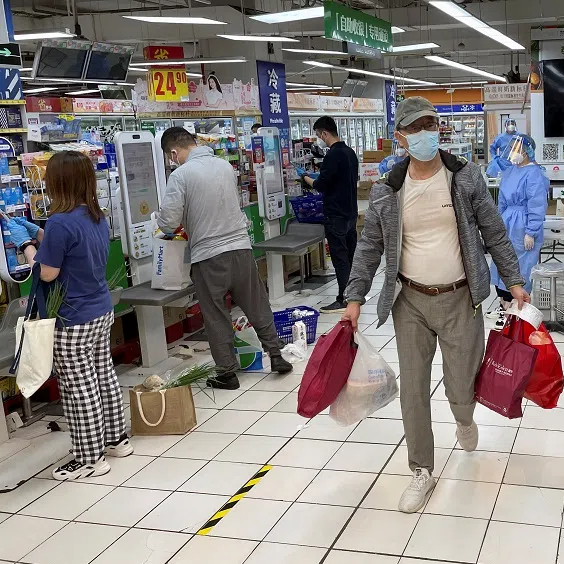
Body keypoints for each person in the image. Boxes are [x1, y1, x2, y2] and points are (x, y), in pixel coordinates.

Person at [341, 97, 529, 513]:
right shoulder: (388, 188)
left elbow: (494, 231)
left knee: (462, 384)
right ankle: (421, 470)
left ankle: (464, 417)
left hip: (461, 298)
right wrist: (354, 297)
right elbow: (370, 244)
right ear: (401, 137)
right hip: (410, 301)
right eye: (418, 126)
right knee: (414, 388)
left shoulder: (463, 177)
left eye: (433, 124)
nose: (428, 132)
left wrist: (513, 279)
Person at [7, 151, 132, 481]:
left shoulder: (61, 221)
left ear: (58, 183)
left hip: (72, 317)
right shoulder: (95, 215)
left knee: (79, 389)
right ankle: (117, 441)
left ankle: (90, 458)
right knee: (103, 375)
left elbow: (47, 272)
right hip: (100, 309)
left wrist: (26, 247)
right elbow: (71, 248)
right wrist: (37, 233)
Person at [158, 127, 292, 390]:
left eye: (169, 156)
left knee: (216, 314)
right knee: (257, 304)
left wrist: (164, 223)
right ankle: (276, 355)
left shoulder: (180, 175)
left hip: (208, 256)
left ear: (174, 152)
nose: (172, 161)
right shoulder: (224, 167)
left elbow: (169, 223)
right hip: (241, 248)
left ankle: (227, 373)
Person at [488, 134, 549, 330]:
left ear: (528, 150)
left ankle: (517, 312)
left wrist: (531, 231)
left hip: (523, 225)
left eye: (517, 148)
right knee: (501, 263)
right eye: (511, 147)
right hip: (506, 222)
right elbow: (502, 202)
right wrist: (497, 224)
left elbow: (537, 204)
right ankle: (504, 307)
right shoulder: (510, 171)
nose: (513, 152)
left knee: (520, 268)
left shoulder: (535, 174)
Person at [303, 116, 359, 314]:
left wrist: (306, 177)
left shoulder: (333, 155)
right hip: (351, 212)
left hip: (335, 214)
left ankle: (343, 298)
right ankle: (354, 296)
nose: (319, 138)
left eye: (318, 135)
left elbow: (321, 186)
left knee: (340, 258)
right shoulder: (350, 153)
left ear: (324, 133)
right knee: (351, 255)